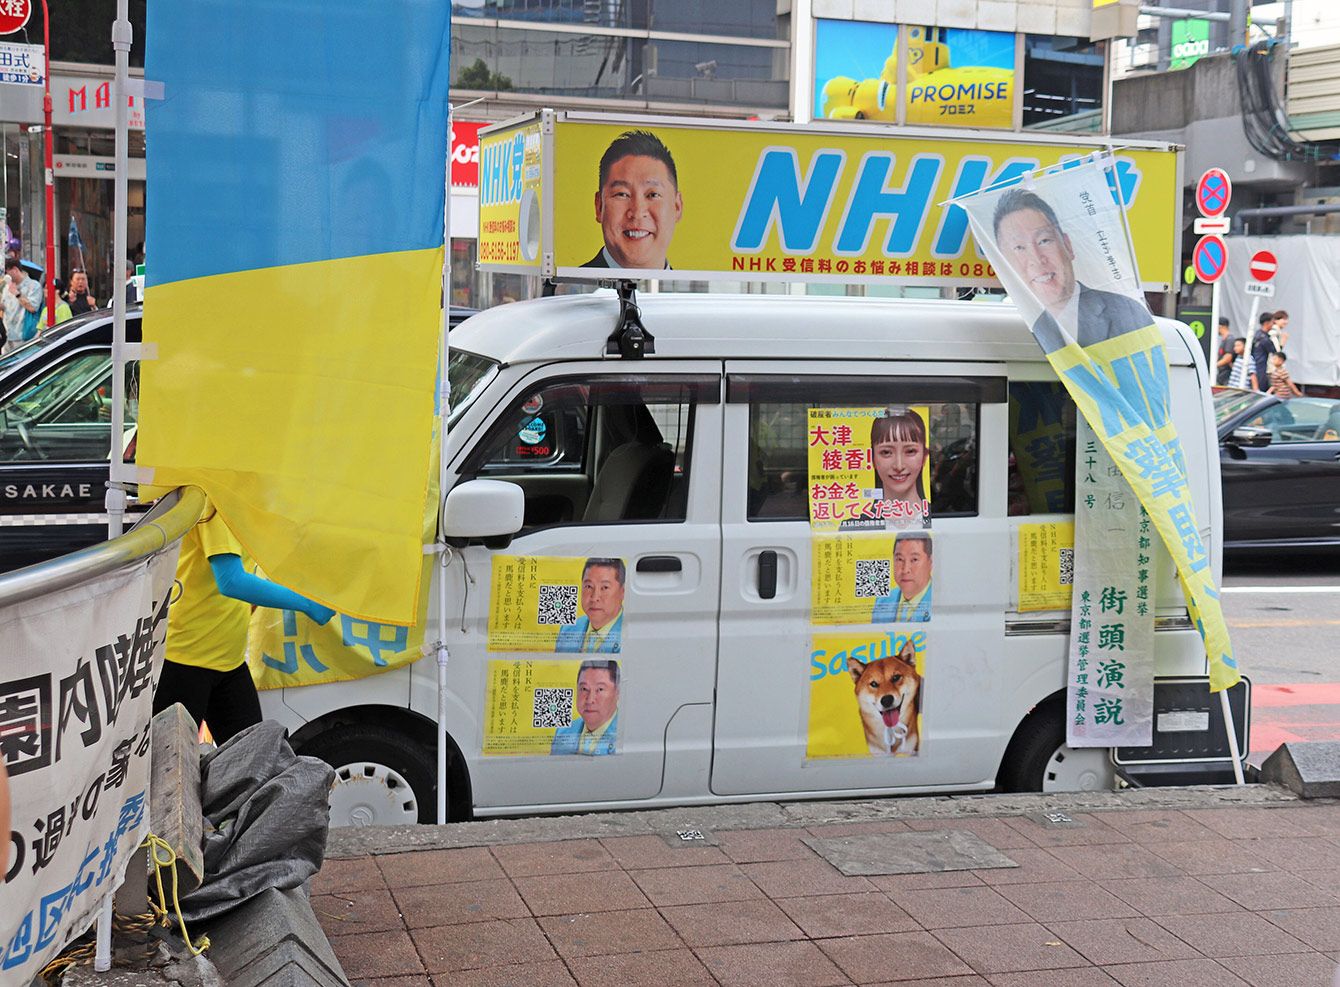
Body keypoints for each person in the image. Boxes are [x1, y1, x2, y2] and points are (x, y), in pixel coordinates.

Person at [154, 498, 336, 743]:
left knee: (253, 757)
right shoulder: (215, 504)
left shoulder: (237, 502)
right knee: (169, 762)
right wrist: (308, 604)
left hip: (229, 659)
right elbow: (231, 581)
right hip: (185, 661)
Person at [991, 188, 1152, 354]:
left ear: (1067, 245)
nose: (1037, 259)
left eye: (1044, 240)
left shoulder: (1126, 313)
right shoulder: (1026, 326)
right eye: (1019, 248)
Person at [583, 130, 682, 270]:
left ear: (677, 207)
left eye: (653, 195)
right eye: (622, 194)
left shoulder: (703, 284)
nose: (637, 212)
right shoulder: (563, 283)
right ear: (599, 206)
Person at [869, 408, 930, 528]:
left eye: (910, 451)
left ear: (924, 456)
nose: (899, 466)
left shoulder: (942, 518)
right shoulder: (853, 527)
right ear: (872, 458)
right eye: (886, 452)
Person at [554, 557, 625, 653]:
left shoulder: (632, 634)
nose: (594, 598)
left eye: (605, 587)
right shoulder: (567, 630)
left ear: (622, 592)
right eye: (588, 586)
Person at [549, 660, 620, 756]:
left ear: (617, 692)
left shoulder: (626, 733)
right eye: (584, 689)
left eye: (600, 689)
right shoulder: (562, 732)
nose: (590, 700)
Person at [872, 531, 933, 623]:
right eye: (900, 559)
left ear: (930, 562)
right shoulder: (882, 602)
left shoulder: (940, 600)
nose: (905, 570)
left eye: (914, 559)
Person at [0, 258, 41, 354]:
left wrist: (17, 294)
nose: (5, 276)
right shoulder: (7, 287)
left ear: (15, 269)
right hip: (7, 335)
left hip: (23, 335)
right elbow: (5, 307)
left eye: (6, 272)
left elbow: (33, 308)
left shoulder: (34, 285)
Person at [1215, 317, 1234, 386]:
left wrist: (1214, 365)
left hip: (1227, 374)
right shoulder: (1225, 339)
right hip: (1222, 374)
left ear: (1220, 326)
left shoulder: (1229, 339)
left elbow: (1228, 358)